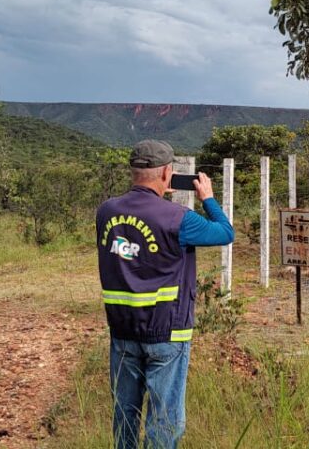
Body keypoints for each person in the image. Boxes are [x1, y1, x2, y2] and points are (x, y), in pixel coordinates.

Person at [96, 139, 234, 449]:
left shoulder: (106, 212)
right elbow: (226, 232)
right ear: (167, 174)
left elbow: (132, 248)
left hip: (122, 329)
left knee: (125, 414)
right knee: (164, 419)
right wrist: (208, 198)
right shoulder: (177, 218)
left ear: (133, 172)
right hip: (167, 330)